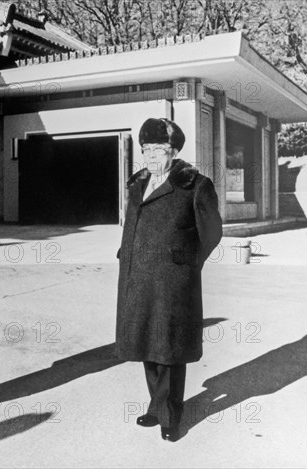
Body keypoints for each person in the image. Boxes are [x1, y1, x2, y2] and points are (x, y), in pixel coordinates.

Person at [115, 118, 222, 442]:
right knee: (146, 342)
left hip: (173, 283)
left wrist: (185, 264)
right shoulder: (137, 184)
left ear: (173, 151)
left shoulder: (195, 185)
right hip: (138, 279)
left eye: (157, 150)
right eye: (146, 149)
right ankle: (155, 406)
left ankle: (171, 417)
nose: (149, 156)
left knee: (171, 350)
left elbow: (212, 233)